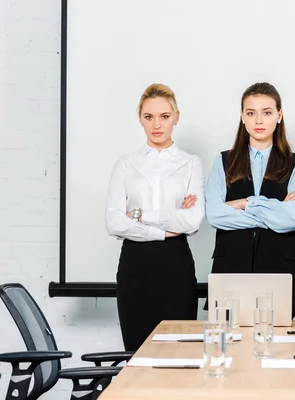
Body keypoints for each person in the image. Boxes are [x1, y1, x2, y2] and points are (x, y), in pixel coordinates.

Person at [105, 83, 204, 351]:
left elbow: (193, 221)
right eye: (149, 117)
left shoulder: (191, 163)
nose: (156, 125)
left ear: (176, 117)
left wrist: (138, 215)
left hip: (176, 265)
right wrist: (164, 228)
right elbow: (114, 222)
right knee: (136, 356)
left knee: (180, 355)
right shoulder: (126, 163)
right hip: (135, 266)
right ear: (140, 118)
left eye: (164, 116)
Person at [205, 82, 295, 317]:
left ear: (279, 116)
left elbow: (293, 217)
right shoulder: (223, 161)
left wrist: (244, 204)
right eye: (251, 113)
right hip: (230, 268)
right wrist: (275, 211)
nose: (259, 121)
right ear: (242, 117)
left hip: (278, 269)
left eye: (267, 112)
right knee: (228, 347)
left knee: (276, 348)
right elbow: (214, 214)